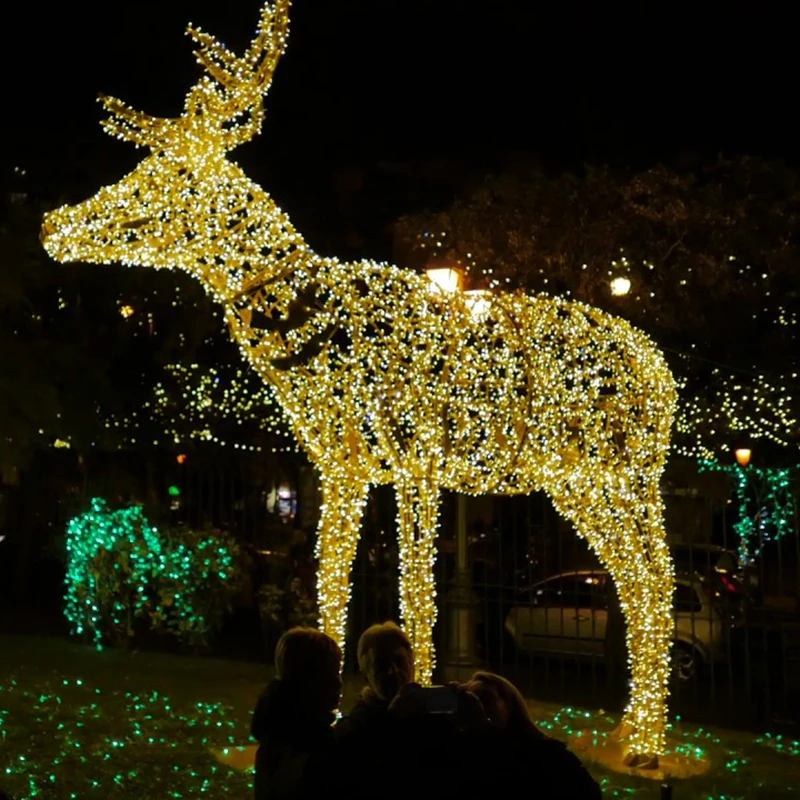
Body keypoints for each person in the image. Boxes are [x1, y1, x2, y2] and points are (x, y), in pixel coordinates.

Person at [463, 671, 602, 800]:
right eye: (471, 699)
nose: (477, 705)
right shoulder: (464, 752)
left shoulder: (547, 754)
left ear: (509, 705)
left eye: (485, 697)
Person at [250, 627, 342, 800]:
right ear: (304, 681)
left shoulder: (276, 729)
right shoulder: (305, 749)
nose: (338, 683)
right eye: (330, 674)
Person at [334, 620, 415, 740]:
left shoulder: (428, 716)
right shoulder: (353, 730)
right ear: (366, 676)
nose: (393, 671)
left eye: (399, 661)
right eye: (381, 665)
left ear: (411, 664)